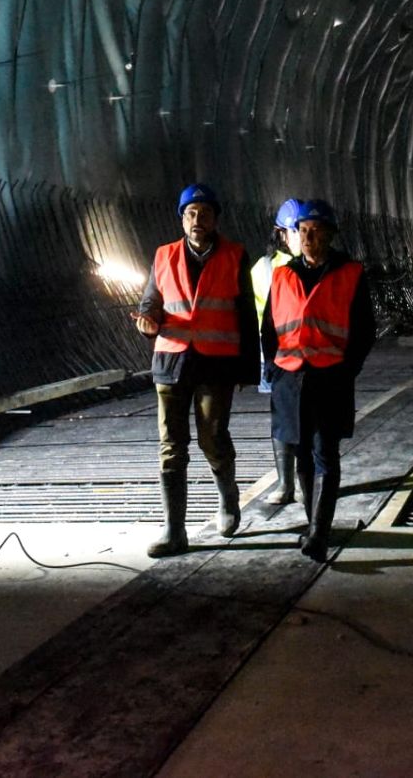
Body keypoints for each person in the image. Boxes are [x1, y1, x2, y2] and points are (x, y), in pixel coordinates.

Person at [134, 183, 256, 558]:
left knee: (212, 438)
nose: (197, 219)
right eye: (190, 212)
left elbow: (246, 316)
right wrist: (147, 320)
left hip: (216, 363)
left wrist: (248, 369)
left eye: (204, 212)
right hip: (171, 361)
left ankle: (228, 498)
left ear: (215, 218)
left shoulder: (235, 255)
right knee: (171, 446)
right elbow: (150, 302)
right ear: (182, 218)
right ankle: (175, 530)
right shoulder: (164, 255)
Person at [261, 199, 375, 561]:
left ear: (330, 234)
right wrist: (273, 366)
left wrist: (347, 368)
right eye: (303, 231)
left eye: (316, 231)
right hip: (291, 377)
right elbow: (269, 327)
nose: (309, 238)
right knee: (302, 455)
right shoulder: (283, 274)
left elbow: (364, 329)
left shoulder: (351, 273)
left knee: (325, 451)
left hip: (330, 376)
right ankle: (314, 528)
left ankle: (319, 535)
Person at [251, 200, 303, 517]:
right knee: (281, 419)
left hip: (309, 357)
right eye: (295, 230)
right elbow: (257, 316)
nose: (301, 236)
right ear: (282, 234)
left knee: (313, 418)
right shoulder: (266, 269)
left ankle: (310, 479)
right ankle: (285, 484)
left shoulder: (317, 265)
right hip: (276, 357)